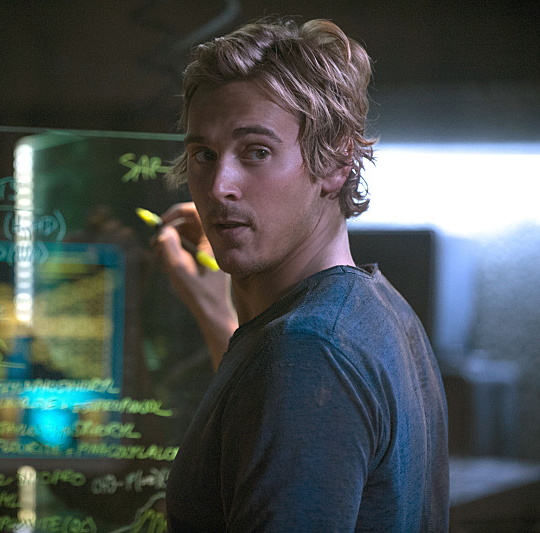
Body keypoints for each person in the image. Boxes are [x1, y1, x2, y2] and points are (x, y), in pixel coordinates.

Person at [154, 17, 449, 531]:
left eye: (257, 152)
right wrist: (215, 311)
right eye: (203, 154)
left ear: (336, 161)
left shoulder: (311, 348)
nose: (219, 185)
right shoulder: (373, 308)